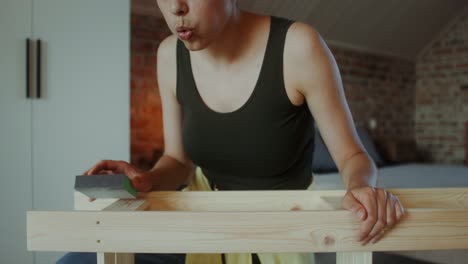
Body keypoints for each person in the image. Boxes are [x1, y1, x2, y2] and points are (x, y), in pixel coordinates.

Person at [57, 0, 406, 263]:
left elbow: (352, 156)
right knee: (80, 259)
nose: (176, 8)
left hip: (277, 233)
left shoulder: (298, 46)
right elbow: (178, 160)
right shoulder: (169, 54)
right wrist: (145, 180)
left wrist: (362, 187)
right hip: (198, 223)